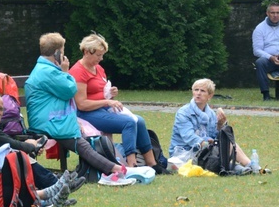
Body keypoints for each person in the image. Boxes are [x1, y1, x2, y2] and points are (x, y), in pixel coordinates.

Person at [26, 32, 131, 177]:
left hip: (49, 118)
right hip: (48, 121)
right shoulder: (48, 71)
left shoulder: (45, 69)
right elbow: (70, 90)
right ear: (57, 53)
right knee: (80, 142)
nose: (64, 55)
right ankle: (114, 168)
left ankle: (110, 167)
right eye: (62, 51)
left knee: (82, 141)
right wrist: (65, 71)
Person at [0, 92, 83, 207]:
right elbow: (11, 143)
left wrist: (28, 146)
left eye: (1, 109)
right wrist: (31, 146)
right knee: (17, 158)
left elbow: (7, 144)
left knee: (16, 157)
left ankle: (54, 191)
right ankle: (55, 184)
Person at [69, 33, 160, 169]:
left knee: (139, 121)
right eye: (98, 55)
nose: (101, 58)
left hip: (102, 109)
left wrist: (110, 94)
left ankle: (153, 164)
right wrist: (107, 102)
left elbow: (100, 92)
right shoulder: (78, 72)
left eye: (102, 55)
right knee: (129, 122)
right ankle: (131, 165)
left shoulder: (98, 68)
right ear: (87, 52)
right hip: (86, 114)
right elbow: (81, 104)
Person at [169, 78, 252, 173]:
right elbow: (189, 137)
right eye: (196, 90)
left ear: (210, 96)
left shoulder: (211, 114)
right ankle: (246, 168)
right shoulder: (183, 112)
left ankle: (249, 166)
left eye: (202, 91)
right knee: (217, 153)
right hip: (185, 152)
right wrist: (209, 145)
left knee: (227, 143)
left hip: (205, 151)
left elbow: (214, 136)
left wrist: (220, 125)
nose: (198, 93)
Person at [251, 2, 279, 101]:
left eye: (278, 13)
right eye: (273, 13)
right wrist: (270, 57)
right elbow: (257, 50)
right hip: (268, 59)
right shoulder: (259, 29)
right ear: (267, 13)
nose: (275, 15)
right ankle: (266, 95)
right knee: (260, 63)